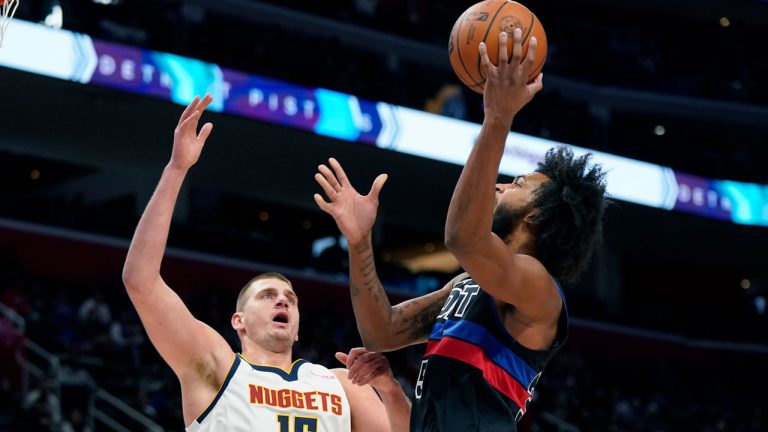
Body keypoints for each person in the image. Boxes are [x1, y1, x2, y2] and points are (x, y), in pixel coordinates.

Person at [314, 29, 607, 431]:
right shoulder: (466, 286)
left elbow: (462, 237)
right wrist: (360, 241)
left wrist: (498, 118)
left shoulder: (539, 292)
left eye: (518, 185)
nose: (501, 186)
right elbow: (381, 332)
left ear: (537, 218)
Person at [122, 95, 410, 431]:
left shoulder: (343, 384)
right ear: (238, 321)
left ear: (298, 327)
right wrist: (176, 169)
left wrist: (390, 390)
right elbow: (140, 279)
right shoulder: (217, 366)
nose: (282, 299)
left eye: (290, 298)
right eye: (267, 295)